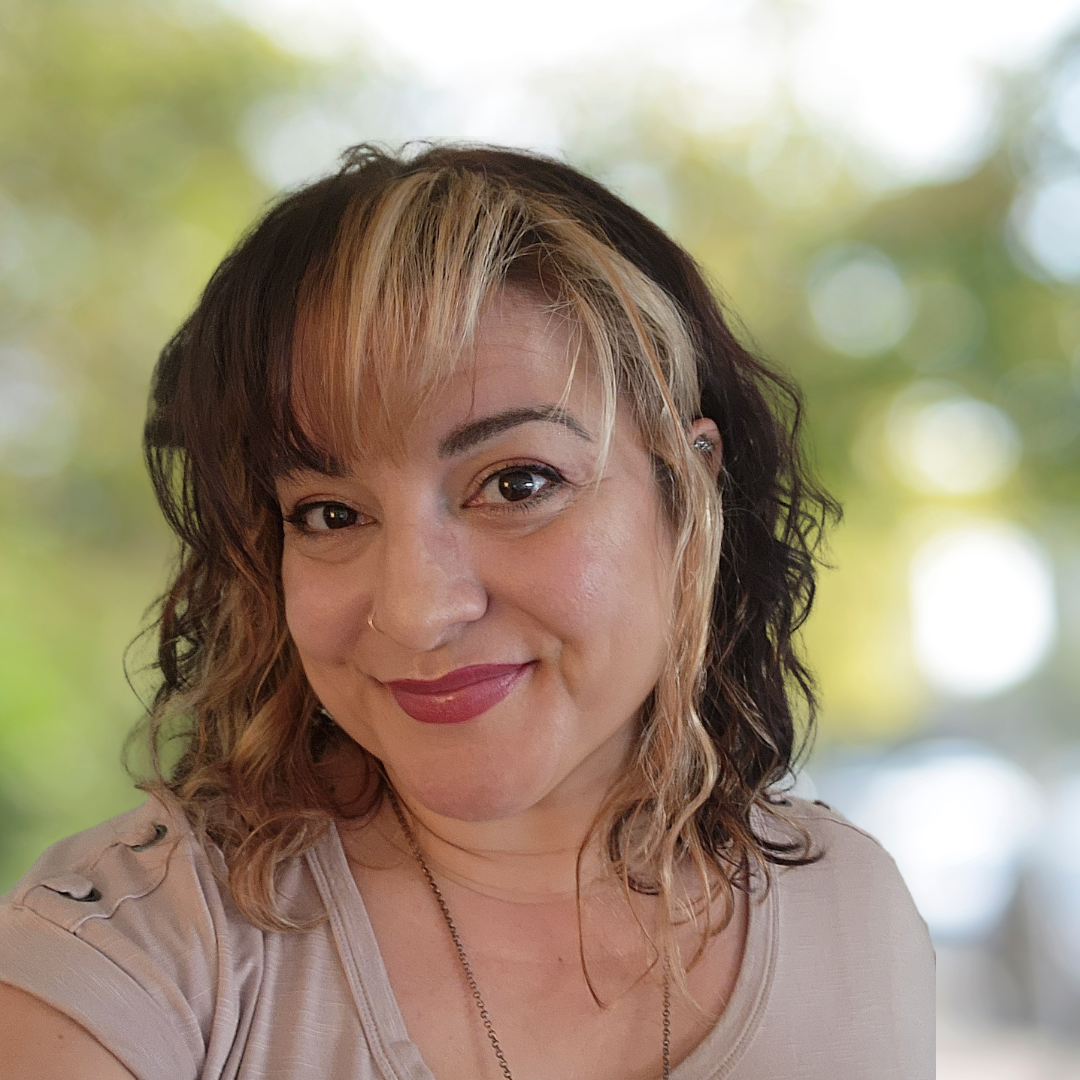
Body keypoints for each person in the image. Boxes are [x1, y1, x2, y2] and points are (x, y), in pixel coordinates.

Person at [0, 144, 934, 1080]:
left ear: (687, 493)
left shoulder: (853, 923)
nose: (417, 612)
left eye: (518, 482)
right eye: (330, 513)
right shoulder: (122, 960)